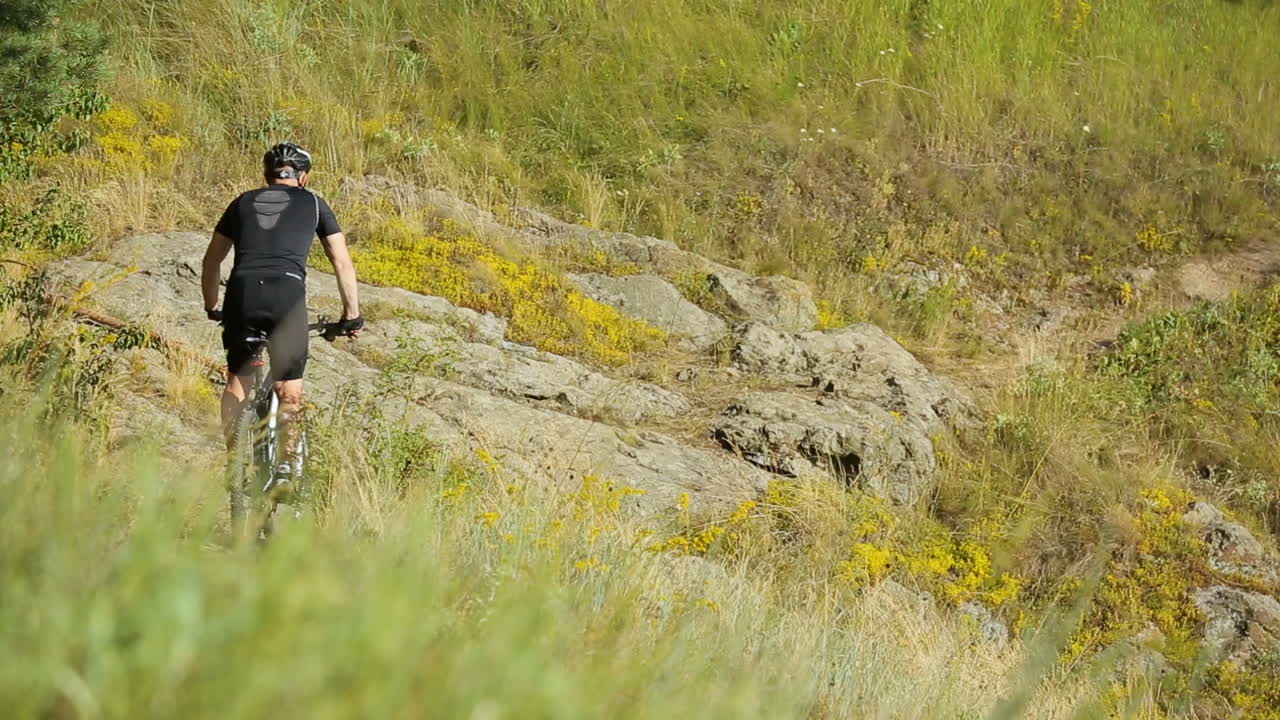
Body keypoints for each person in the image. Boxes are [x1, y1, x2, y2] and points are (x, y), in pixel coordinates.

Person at [201, 142, 362, 487]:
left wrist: (212, 304)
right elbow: (341, 260)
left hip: (242, 292)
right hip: (286, 294)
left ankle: (234, 460)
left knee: (237, 381)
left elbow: (212, 259)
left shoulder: (242, 202)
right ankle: (288, 467)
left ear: (266, 175)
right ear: (302, 177)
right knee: (289, 389)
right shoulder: (315, 204)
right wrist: (351, 314)